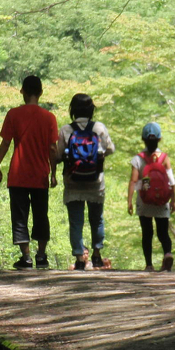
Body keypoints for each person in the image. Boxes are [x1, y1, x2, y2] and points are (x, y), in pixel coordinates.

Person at [0, 75, 59, 270]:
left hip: (18, 175)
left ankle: (26, 257)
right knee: (41, 215)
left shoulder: (13, 114)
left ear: (22, 91)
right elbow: (52, 148)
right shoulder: (49, 117)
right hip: (40, 174)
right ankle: (42, 256)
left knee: (20, 216)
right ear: (41, 93)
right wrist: (53, 173)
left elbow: (6, 143)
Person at [57, 93, 115, 270]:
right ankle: (96, 255)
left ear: (72, 110)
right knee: (97, 219)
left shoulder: (66, 130)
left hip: (73, 182)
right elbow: (110, 149)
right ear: (91, 110)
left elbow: (58, 155)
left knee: (76, 222)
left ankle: (79, 258)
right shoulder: (99, 128)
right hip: (95, 181)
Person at [127, 122, 175, 271]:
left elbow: (133, 181)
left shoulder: (138, 159)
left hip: (144, 200)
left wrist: (129, 201)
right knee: (163, 232)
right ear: (159, 139)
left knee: (147, 233)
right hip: (162, 200)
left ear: (143, 139)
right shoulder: (165, 158)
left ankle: (149, 265)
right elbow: (171, 181)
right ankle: (167, 254)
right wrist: (173, 201)